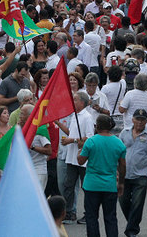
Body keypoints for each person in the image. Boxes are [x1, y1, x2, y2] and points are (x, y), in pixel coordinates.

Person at [77, 114, 126, 237]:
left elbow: (80, 161)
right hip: (109, 185)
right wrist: (121, 183)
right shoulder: (118, 143)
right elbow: (123, 166)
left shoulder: (91, 141)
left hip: (91, 185)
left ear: (97, 126)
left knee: (91, 217)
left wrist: (80, 149)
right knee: (110, 217)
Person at [55, 91, 95, 225]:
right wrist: (58, 123)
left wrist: (71, 140)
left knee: (86, 187)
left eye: (76, 99)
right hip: (72, 157)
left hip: (82, 159)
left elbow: (89, 137)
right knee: (68, 185)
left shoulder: (87, 117)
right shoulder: (75, 116)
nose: (73, 101)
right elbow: (71, 133)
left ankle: (88, 214)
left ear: (82, 102)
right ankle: (69, 213)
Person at [119, 109, 147, 237]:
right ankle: (133, 223)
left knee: (137, 203)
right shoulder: (124, 133)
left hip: (141, 175)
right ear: (132, 120)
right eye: (138, 119)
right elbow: (117, 153)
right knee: (123, 201)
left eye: (143, 120)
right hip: (124, 175)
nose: (140, 122)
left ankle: (131, 231)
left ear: (146, 121)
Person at [19, 104, 52, 189]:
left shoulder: (40, 129)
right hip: (25, 169)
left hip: (38, 170)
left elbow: (49, 151)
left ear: (29, 116)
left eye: (22, 114)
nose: (20, 116)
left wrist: (32, 147)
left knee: (36, 199)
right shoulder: (21, 129)